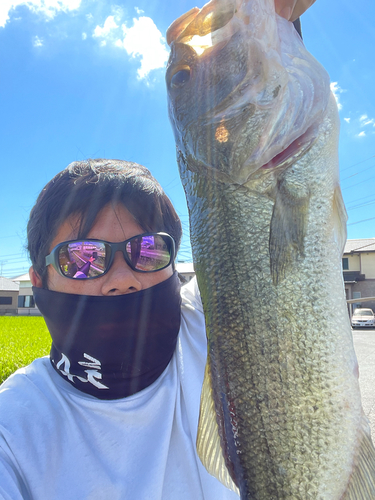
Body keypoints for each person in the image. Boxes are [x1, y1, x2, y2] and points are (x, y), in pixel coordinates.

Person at [0, 3, 316, 499]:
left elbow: (265, 244)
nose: (122, 276)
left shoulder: (212, 325)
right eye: (84, 258)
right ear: (38, 281)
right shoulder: (15, 430)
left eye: (148, 250)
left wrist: (275, 19)